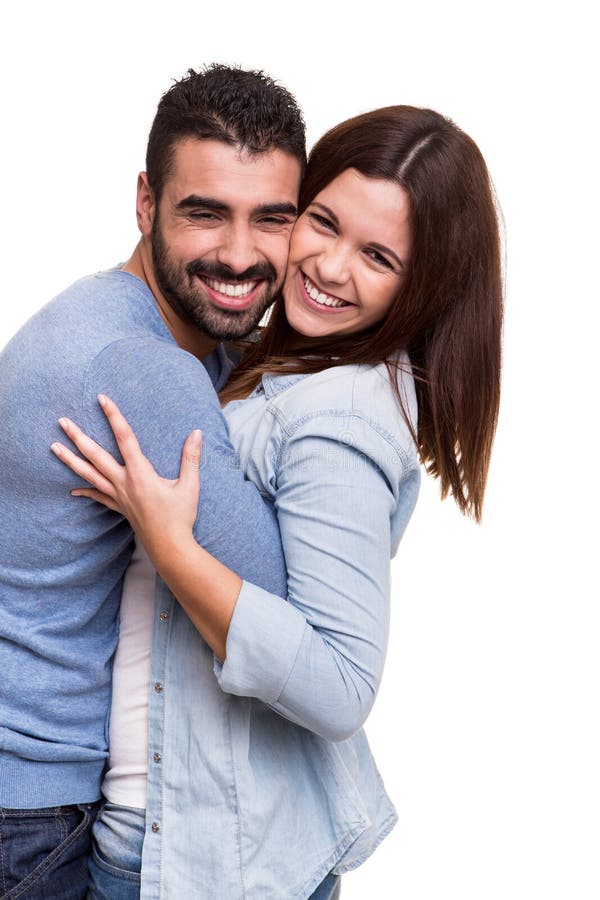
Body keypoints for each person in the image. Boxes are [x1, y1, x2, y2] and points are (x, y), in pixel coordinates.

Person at [52, 105, 503, 898]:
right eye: (322, 223)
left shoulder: (337, 420)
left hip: (198, 863)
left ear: (422, 285)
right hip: (194, 834)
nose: (330, 266)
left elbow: (341, 684)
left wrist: (172, 548)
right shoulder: (284, 367)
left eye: (377, 256)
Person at [0, 63, 306, 899]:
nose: (239, 254)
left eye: (271, 219)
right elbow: (279, 621)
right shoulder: (141, 366)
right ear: (145, 203)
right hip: (32, 810)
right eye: (205, 213)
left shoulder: (132, 318)